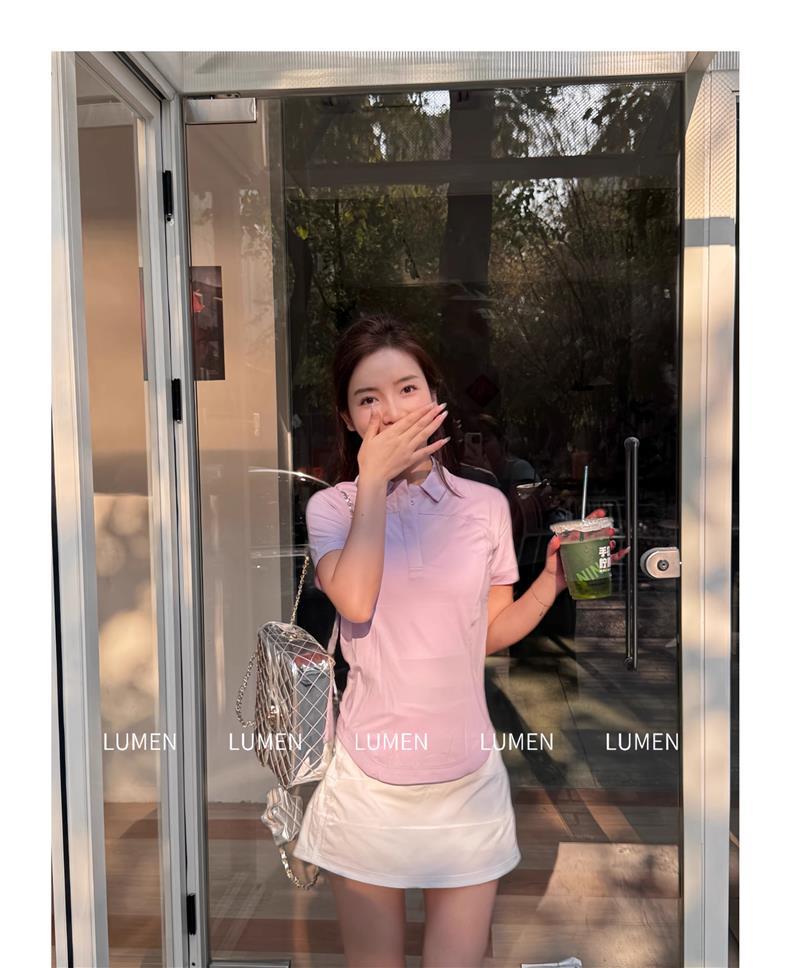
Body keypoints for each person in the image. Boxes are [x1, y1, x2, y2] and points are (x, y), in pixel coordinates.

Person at [292, 312, 627, 967]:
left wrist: (551, 582)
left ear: (434, 397)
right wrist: (373, 482)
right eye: (368, 398)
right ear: (348, 418)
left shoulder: (484, 506)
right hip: (368, 782)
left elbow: (487, 635)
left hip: (467, 782)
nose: (391, 411)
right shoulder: (332, 508)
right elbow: (354, 598)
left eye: (407, 389)